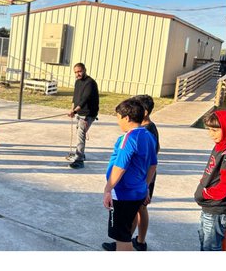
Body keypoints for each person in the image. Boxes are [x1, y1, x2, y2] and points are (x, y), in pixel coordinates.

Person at [101, 99, 157, 252]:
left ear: (127, 118)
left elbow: (120, 166)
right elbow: (153, 165)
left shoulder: (128, 138)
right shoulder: (148, 135)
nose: (118, 121)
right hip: (137, 192)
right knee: (125, 233)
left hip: (123, 195)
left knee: (122, 239)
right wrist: (145, 186)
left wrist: (107, 190)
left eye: (118, 117)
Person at [194, 107, 226, 251]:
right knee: (204, 239)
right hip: (208, 206)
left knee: (211, 247)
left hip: (216, 208)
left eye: (215, 130)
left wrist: (207, 194)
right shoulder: (219, 146)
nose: (211, 134)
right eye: (209, 130)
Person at [131, 95, 160, 250]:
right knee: (140, 208)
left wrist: (146, 185)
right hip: (144, 177)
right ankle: (139, 241)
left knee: (137, 208)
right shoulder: (150, 127)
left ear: (146, 112)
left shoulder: (146, 131)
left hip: (143, 177)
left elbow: (150, 160)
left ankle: (126, 242)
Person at [67, 62, 100, 168]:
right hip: (79, 112)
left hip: (88, 114)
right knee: (79, 133)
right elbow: (75, 98)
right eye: (76, 72)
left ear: (85, 70)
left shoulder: (90, 83)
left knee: (80, 135)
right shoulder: (77, 82)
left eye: (80, 71)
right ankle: (80, 154)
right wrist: (72, 109)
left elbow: (84, 100)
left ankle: (79, 160)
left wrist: (75, 111)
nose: (78, 74)